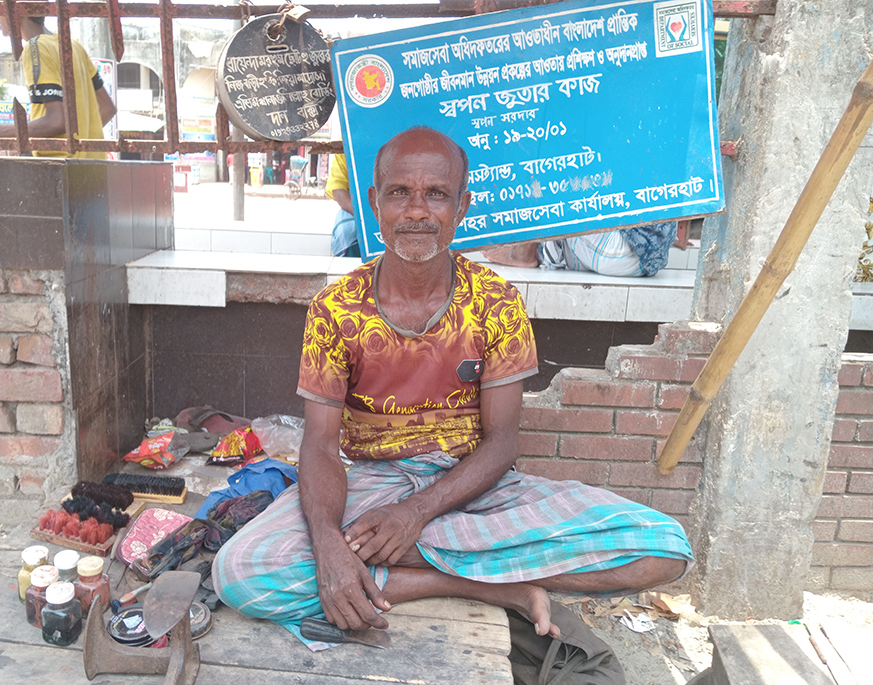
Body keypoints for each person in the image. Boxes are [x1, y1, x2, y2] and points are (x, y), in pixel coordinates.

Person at [213, 127, 692, 642]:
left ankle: (406, 562)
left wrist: (414, 515)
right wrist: (329, 542)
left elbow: (502, 443)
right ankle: (483, 583)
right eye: (400, 193)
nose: (417, 211)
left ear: (461, 208)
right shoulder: (336, 308)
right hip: (369, 488)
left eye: (436, 194)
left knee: (662, 549)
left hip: (471, 488)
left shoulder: (496, 303)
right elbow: (321, 447)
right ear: (374, 203)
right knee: (237, 572)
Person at [0, 14, 115, 159]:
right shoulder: (73, 46)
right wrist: (80, 142)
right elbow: (108, 108)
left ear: (18, 7)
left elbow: (57, 121)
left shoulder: (36, 46)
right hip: (93, 167)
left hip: (61, 169)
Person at [481, 222, 679, 277]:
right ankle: (538, 252)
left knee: (557, 172)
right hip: (646, 262)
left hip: (620, 248)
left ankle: (527, 253)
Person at [326, 153, 361, 258]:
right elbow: (338, 190)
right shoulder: (346, 143)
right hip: (355, 211)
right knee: (347, 231)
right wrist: (364, 217)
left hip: (394, 209)